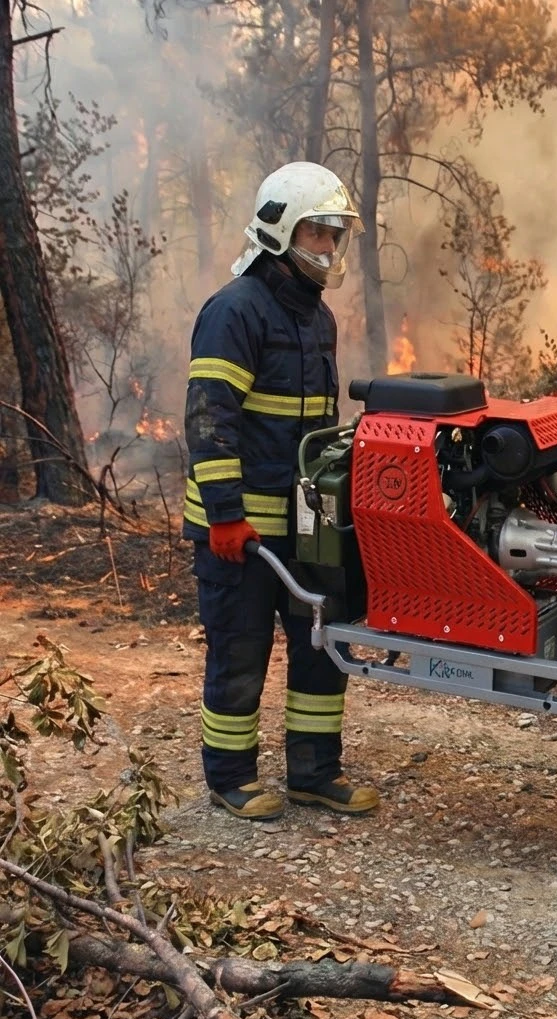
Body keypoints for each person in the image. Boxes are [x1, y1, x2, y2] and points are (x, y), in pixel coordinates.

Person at [183, 161, 379, 822]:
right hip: (239, 533)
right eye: (316, 233)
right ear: (278, 231)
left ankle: (314, 772)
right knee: (240, 652)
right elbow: (211, 421)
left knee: (324, 644)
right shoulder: (233, 311)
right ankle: (231, 777)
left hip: (305, 526)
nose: (327, 247)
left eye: (333, 235)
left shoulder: (316, 318)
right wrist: (226, 517)